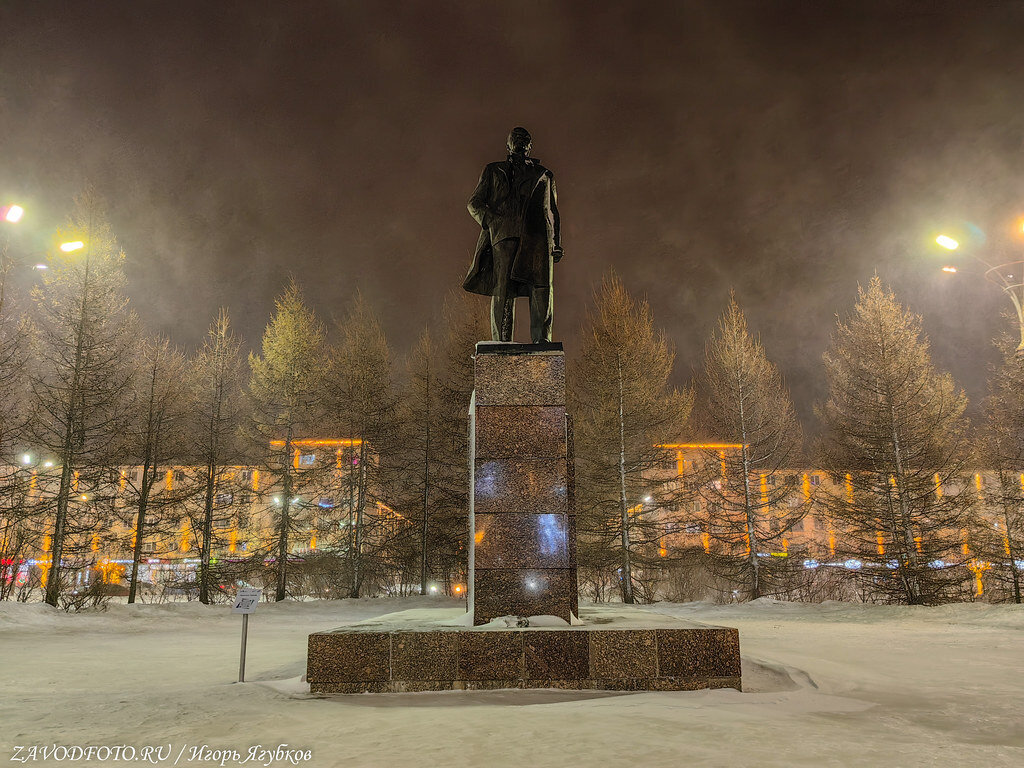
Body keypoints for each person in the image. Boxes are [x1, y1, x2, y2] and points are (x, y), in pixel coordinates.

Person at [462, 127, 563, 343]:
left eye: (525, 139)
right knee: (503, 289)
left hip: (537, 238)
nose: (520, 141)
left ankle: (542, 340)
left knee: (541, 287)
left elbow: (552, 211)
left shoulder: (544, 175)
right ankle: (501, 341)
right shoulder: (493, 170)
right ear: (508, 145)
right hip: (504, 235)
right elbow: (474, 203)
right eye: (515, 138)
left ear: (530, 145)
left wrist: (555, 242)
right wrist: (493, 221)